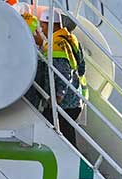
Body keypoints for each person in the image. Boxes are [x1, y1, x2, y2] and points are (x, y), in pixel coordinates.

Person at [27, 8, 86, 148]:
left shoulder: (55, 45)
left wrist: (58, 96)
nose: (41, 29)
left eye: (43, 25)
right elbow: (82, 67)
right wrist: (42, 44)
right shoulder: (69, 39)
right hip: (75, 100)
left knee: (50, 127)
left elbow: (63, 72)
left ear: (51, 24)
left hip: (64, 102)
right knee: (66, 136)